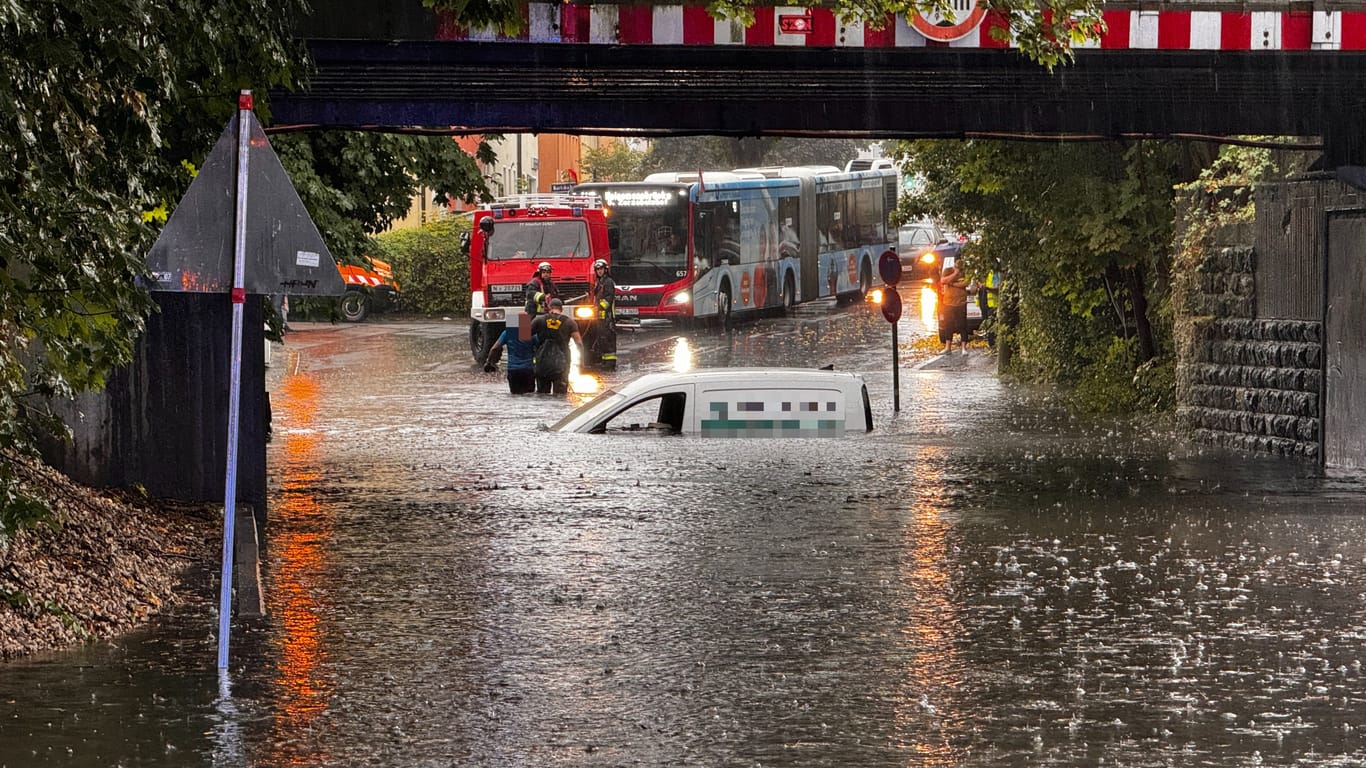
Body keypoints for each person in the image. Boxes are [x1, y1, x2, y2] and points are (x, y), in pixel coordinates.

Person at [529, 297, 583, 394]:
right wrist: (582, 362)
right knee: (560, 395)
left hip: (542, 362)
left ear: (549, 307)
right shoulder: (570, 322)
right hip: (562, 364)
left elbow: (522, 337)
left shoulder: (539, 320)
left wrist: (520, 317)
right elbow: (579, 343)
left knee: (542, 395)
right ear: (561, 309)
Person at [484, 314, 536, 395]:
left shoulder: (507, 333)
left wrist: (489, 362)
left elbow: (494, 348)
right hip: (528, 370)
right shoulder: (530, 333)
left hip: (513, 370)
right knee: (529, 396)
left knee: (514, 396)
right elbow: (539, 347)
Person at [583, 258, 617, 369]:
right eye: (597, 269)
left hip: (607, 317)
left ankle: (610, 363)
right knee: (600, 339)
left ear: (605, 270)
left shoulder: (608, 282)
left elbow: (608, 299)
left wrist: (599, 307)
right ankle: (603, 360)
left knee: (607, 339)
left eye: (601, 269)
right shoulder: (600, 282)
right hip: (600, 318)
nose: (599, 271)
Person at [937, 263, 970, 355]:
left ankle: (964, 348)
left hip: (961, 303)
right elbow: (943, 280)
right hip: (948, 303)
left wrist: (952, 284)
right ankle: (948, 347)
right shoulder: (948, 270)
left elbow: (966, 283)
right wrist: (955, 274)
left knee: (962, 325)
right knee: (948, 325)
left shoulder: (965, 272)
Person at [978, 267, 1002, 347]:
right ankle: (992, 345)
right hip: (984, 304)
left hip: (993, 305)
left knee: (993, 328)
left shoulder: (995, 273)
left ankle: (994, 345)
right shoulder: (982, 273)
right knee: (988, 327)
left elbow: (999, 288)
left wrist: (988, 288)